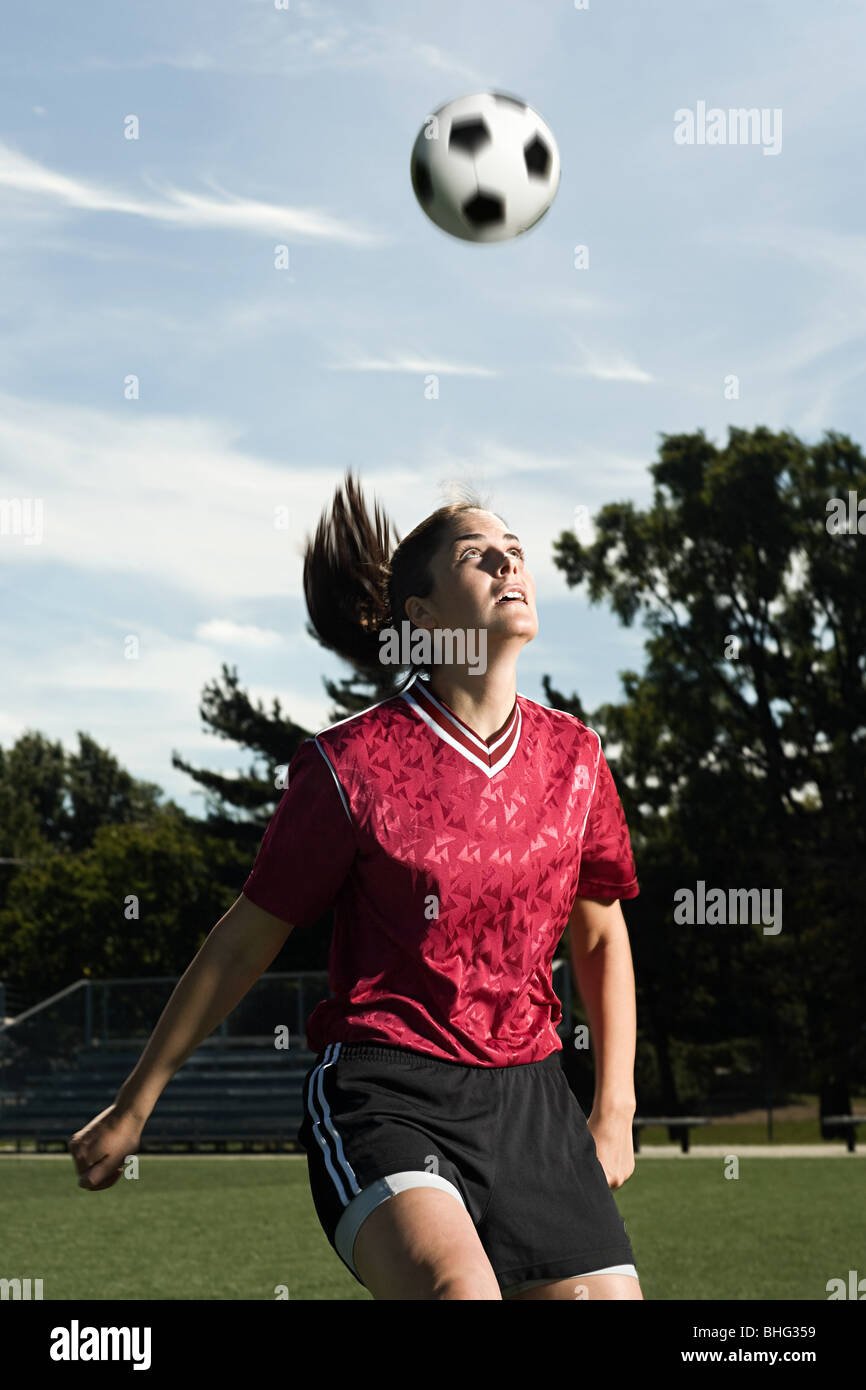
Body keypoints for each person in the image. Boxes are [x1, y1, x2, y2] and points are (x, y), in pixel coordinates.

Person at [69, 471, 643, 1302]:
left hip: (533, 1100)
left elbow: (599, 935)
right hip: (388, 1089)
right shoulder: (348, 767)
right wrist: (135, 1102)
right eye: (479, 554)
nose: (509, 562)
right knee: (461, 1294)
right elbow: (244, 940)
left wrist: (614, 1109)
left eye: (515, 549)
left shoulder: (578, 759)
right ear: (425, 616)